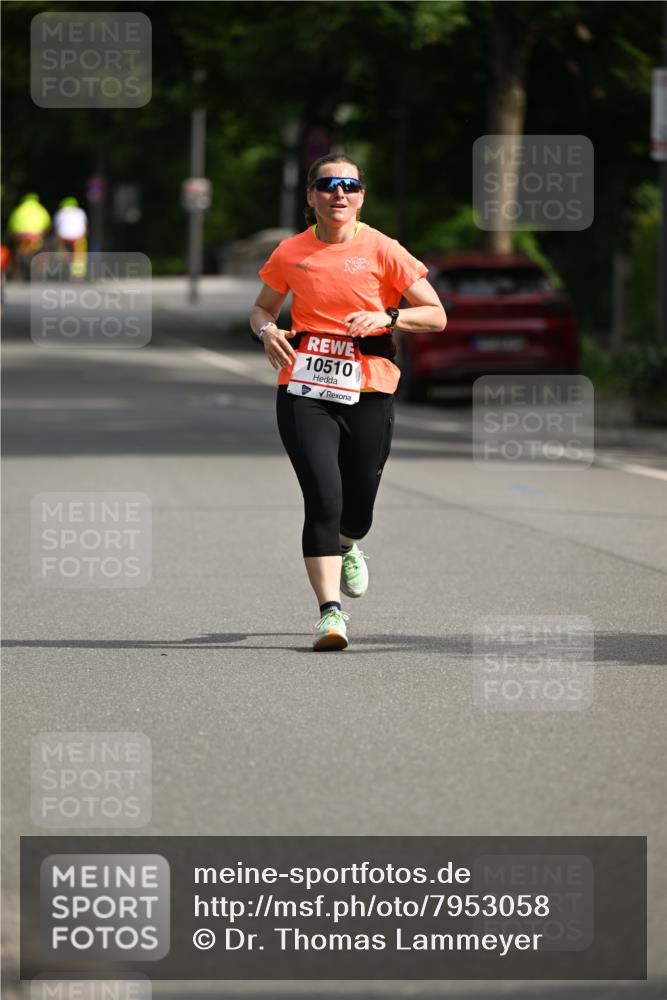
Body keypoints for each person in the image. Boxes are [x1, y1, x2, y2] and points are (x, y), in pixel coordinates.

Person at [250, 154, 446, 651]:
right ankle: (330, 614)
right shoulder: (291, 252)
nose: (340, 194)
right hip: (304, 387)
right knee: (323, 498)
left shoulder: (383, 249)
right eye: (328, 185)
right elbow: (261, 309)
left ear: (361, 196)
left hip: (370, 386)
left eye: (350, 186)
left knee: (356, 508)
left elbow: (436, 315)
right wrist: (268, 331)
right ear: (311, 196)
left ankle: (348, 542)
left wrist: (388, 316)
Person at [7, 193, 51, 279]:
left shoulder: (18, 209)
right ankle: (40, 270)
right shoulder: (40, 209)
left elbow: (11, 225)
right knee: (40, 250)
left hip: (20, 236)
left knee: (18, 251)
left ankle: (17, 269)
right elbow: (47, 224)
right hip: (36, 236)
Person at [53, 197, 88, 278]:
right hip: (78, 238)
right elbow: (85, 226)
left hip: (64, 238)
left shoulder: (60, 212)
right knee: (79, 254)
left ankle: (62, 269)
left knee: (62, 252)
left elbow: (56, 228)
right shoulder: (80, 212)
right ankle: (78, 274)